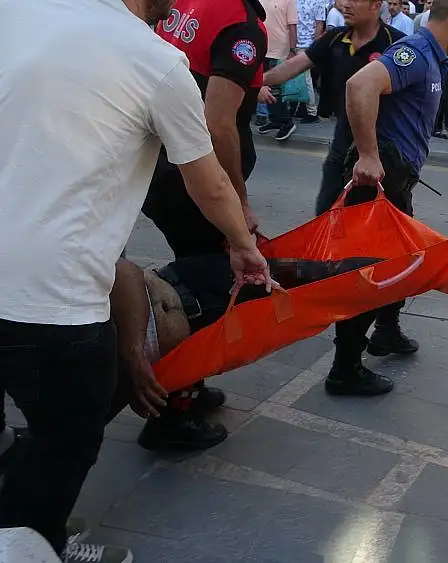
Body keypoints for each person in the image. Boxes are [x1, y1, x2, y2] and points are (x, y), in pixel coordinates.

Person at [0, 0, 270, 560]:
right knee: (69, 434)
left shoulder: (20, 11)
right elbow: (208, 184)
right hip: (51, 298)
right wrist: (244, 246)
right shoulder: (157, 62)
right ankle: (35, 541)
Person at [330, 0, 448, 395]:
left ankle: (386, 329)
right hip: (378, 185)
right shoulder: (414, 52)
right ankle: (345, 369)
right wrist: (367, 155)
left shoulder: (432, 57)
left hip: (397, 183)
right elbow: (359, 86)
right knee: (369, 274)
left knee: (402, 262)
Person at [139, 0, 271, 452]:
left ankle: (187, 384)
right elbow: (218, 124)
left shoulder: (193, 3)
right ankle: (174, 409)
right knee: (204, 293)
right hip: (192, 181)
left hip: (161, 167)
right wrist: (237, 202)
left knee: (191, 277)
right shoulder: (241, 23)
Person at [109, 255, 381, 420]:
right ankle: (179, 414)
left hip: (198, 288)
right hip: (196, 325)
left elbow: (123, 271)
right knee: (326, 280)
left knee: (319, 275)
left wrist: (134, 358)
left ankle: (380, 274)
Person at [260, 0, 406, 216]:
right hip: (342, 144)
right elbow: (294, 66)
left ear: (376, 4)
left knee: (374, 220)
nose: (346, 4)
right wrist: (255, 80)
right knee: (326, 212)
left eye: (355, 0)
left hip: (382, 150)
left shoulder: (395, 44)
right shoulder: (335, 38)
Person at [259, 0, 300, 141]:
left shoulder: (289, 1)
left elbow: (292, 27)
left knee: (276, 90)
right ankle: (275, 120)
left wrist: (292, 50)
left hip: (279, 51)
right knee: (265, 88)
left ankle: (286, 122)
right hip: (263, 49)